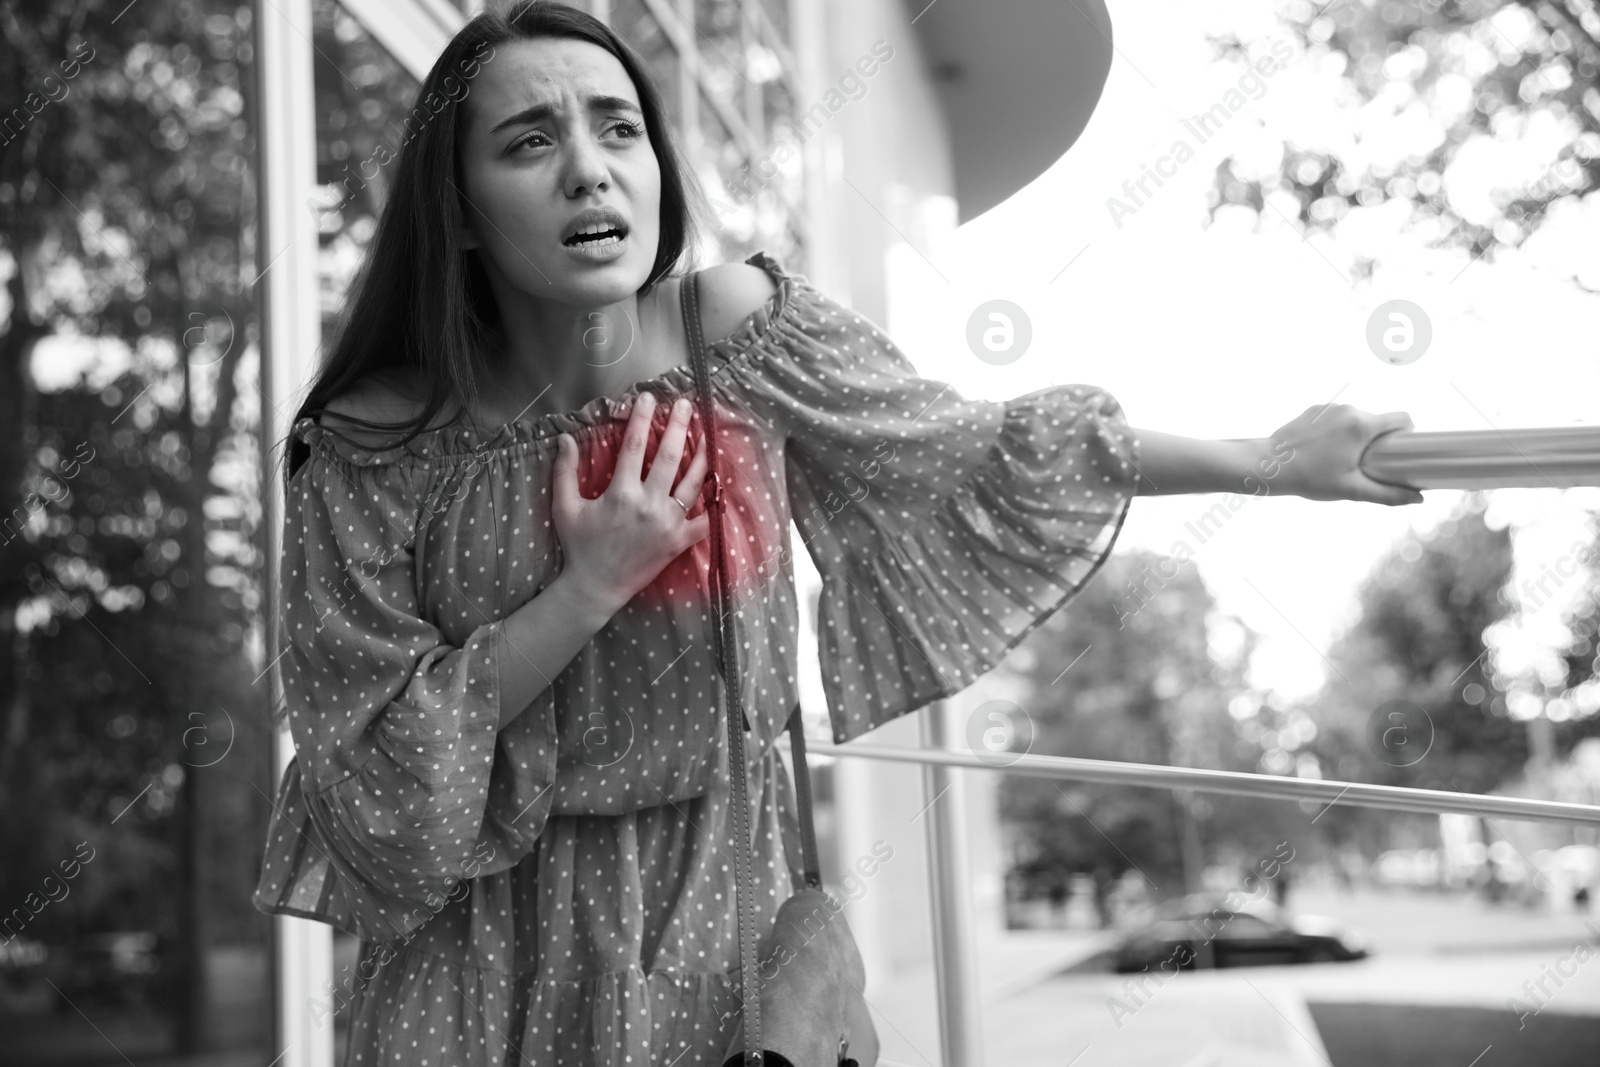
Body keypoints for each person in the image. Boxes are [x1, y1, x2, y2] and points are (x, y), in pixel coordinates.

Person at [250, 2, 1424, 1064]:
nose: (588, 173)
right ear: (454, 211)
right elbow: (365, 763)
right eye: (529, 142)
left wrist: (1267, 463)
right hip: (479, 971)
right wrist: (587, 585)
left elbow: (976, 452)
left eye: (618, 129)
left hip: (721, 928)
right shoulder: (370, 445)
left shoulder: (740, 336)